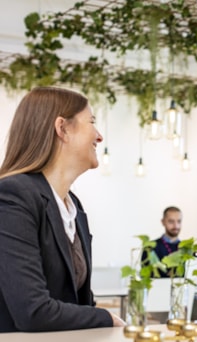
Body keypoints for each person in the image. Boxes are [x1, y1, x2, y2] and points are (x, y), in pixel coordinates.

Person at [0, 86, 125, 332]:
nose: (99, 136)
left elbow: (80, 301)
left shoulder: (74, 207)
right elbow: (33, 312)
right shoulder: (12, 196)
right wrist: (106, 318)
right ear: (62, 128)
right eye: (91, 122)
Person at [152, 206, 183, 277]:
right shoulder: (151, 248)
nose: (176, 226)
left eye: (179, 221)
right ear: (163, 222)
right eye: (171, 221)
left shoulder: (187, 249)